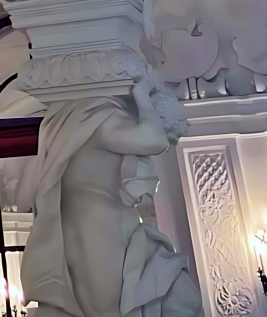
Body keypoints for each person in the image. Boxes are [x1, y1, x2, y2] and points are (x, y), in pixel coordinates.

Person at [16, 73, 202, 317]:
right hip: (97, 228)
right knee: (113, 307)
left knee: (176, 295)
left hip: (113, 227)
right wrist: (142, 96)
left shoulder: (81, 120)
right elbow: (153, 139)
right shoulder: (102, 118)